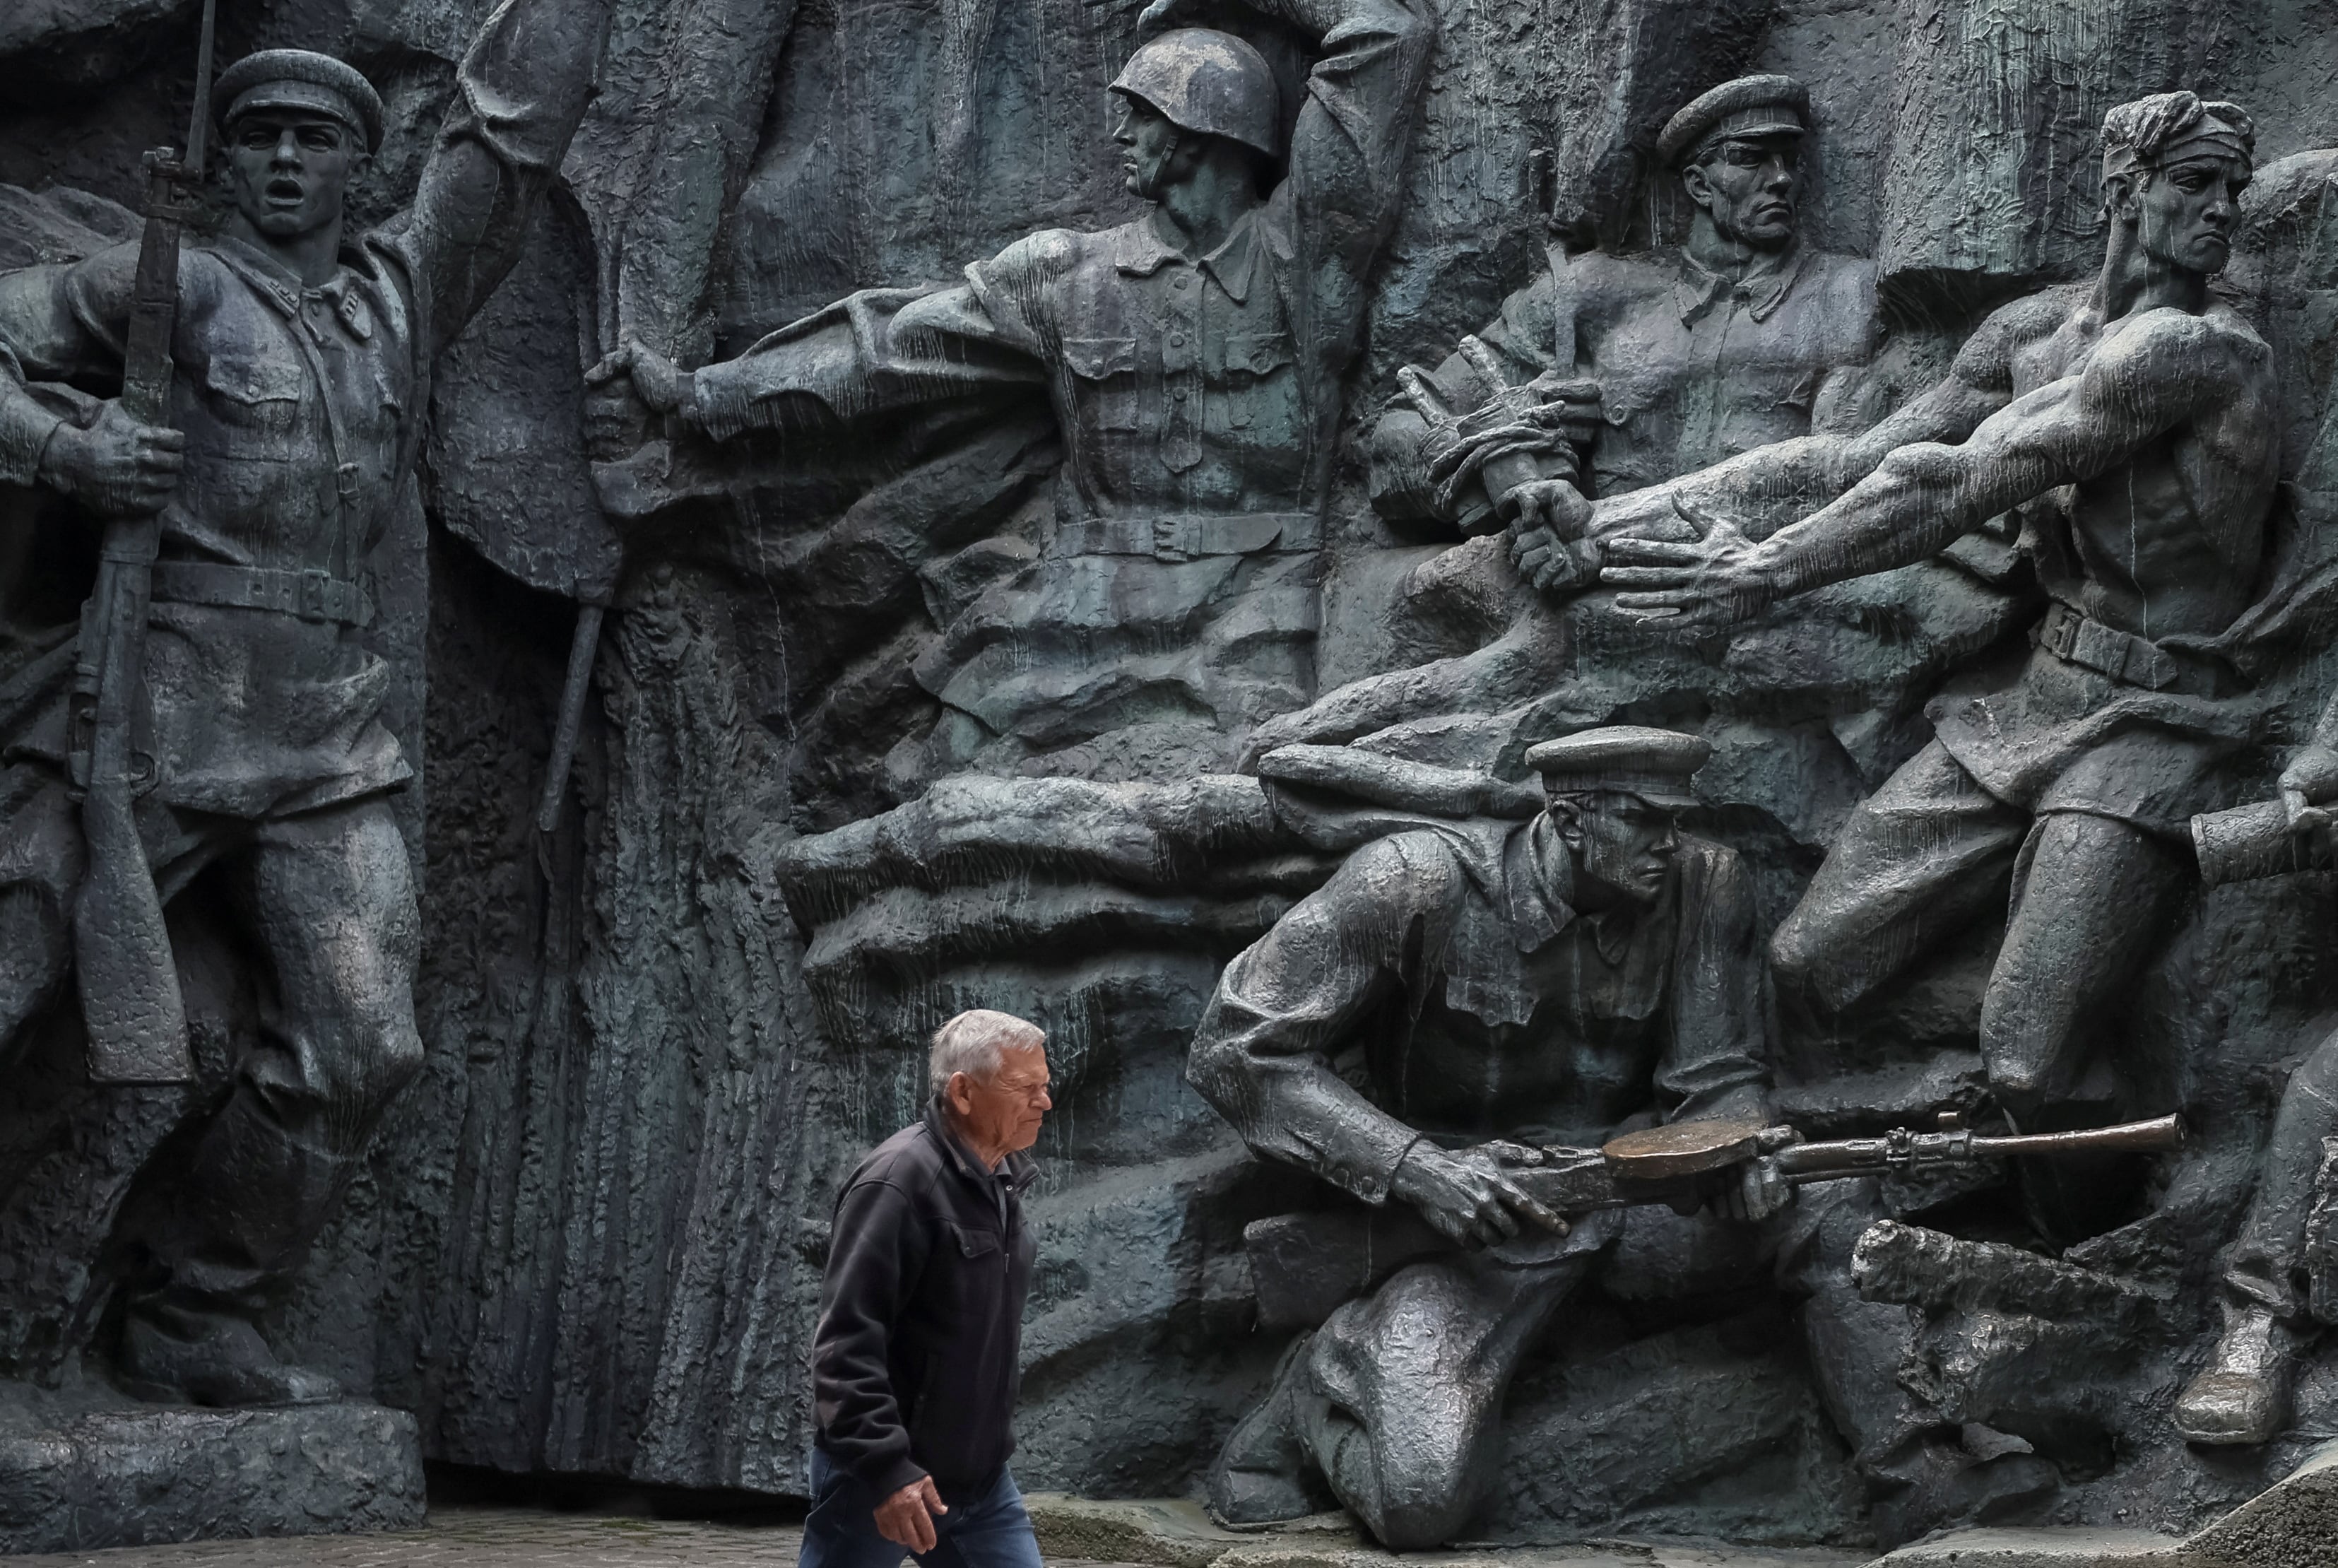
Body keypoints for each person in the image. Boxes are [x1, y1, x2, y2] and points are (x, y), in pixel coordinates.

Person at [0, 2, 613, 1404]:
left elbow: (511, 130)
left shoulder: (405, 290)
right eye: (260, 136)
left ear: (362, 164)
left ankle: (192, 1311)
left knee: (362, 1044)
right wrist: (68, 449)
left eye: (314, 140)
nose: (284, 159)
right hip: (153, 711)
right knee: (19, 977)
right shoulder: (170, 286)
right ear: (227, 161)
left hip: (327, 733)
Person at [1599, 91, 2279, 1134]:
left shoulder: (2199, 352)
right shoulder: (2033, 331)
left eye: (2233, 187)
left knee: (2024, 1063)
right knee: (1808, 961)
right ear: (2123, 190)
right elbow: (1856, 460)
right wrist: (1611, 520)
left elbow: (1962, 480)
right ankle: (1954, 1116)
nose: (2223, 209)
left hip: (2164, 729)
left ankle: (2078, 1246)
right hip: (2039, 695)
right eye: (2194, 183)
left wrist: (1771, 568)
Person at [1186, 727, 2048, 1548]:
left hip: (1635, 1198)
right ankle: (1319, 1384)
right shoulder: (1412, 883)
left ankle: (1921, 1476)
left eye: (1676, 818)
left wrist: (1737, 1146)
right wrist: (1417, 1168)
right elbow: (1236, 1048)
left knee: (1825, 1203)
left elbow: (1715, 1077)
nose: (1668, 841)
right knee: (1417, 1501)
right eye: (1644, 816)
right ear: (1568, 818)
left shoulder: (1706, 885)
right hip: (1469, 1231)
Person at [584, 0, 1435, 781]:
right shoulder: (1064, 276)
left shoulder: (1305, 262)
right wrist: (705, 395)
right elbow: (888, 349)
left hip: (1262, 614)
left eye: (1141, 113)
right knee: (940, 783)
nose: (1120, 134)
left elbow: (1388, 34)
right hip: (1080, 618)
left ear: (1199, 131)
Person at [1369, 74, 1883, 582]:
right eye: (1751, 159)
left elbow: (1887, 482)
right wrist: (1512, 458)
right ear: (1699, 185)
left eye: (1789, 160)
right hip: (1596, 608)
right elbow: (1396, 439)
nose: (1780, 179)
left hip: (1777, 595)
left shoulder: (1854, 297)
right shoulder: (1588, 295)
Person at [803, 1009, 1054, 1568]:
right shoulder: (897, 1183)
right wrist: (889, 1470)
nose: (1044, 1102)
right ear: (963, 1093)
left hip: (980, 1483)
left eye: (1045, 1085)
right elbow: (845, 1346)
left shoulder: (1001, 1179)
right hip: (883, 1479)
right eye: (1026, 1088)